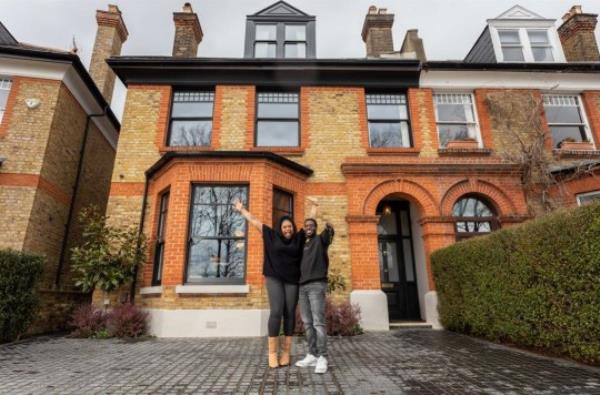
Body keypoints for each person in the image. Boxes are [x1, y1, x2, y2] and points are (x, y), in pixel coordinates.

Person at [233, 199, 317, 368]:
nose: (288, 229)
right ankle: (272, 353)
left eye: (290, 227)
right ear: (280, 228)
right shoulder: (271, 235)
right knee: (276, 311)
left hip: (292, 280)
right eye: (285, 227)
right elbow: (255, 221)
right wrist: (242, 210)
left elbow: (309, 226)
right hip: (274, 278)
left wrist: (314, 208)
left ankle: (286, 352)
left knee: (289, 313)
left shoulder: (298, 239)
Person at [295, 202, 335, 374]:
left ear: (316, 228)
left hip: (316, 285)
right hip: (301, 287)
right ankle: (311, 354)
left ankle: (323, 357)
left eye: (312, 225)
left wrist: (329, 227)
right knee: (307, 323)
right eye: (306, 226)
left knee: (318, 322)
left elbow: (329, 233)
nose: (309, 227)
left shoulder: (320, 240)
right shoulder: (300, 245)